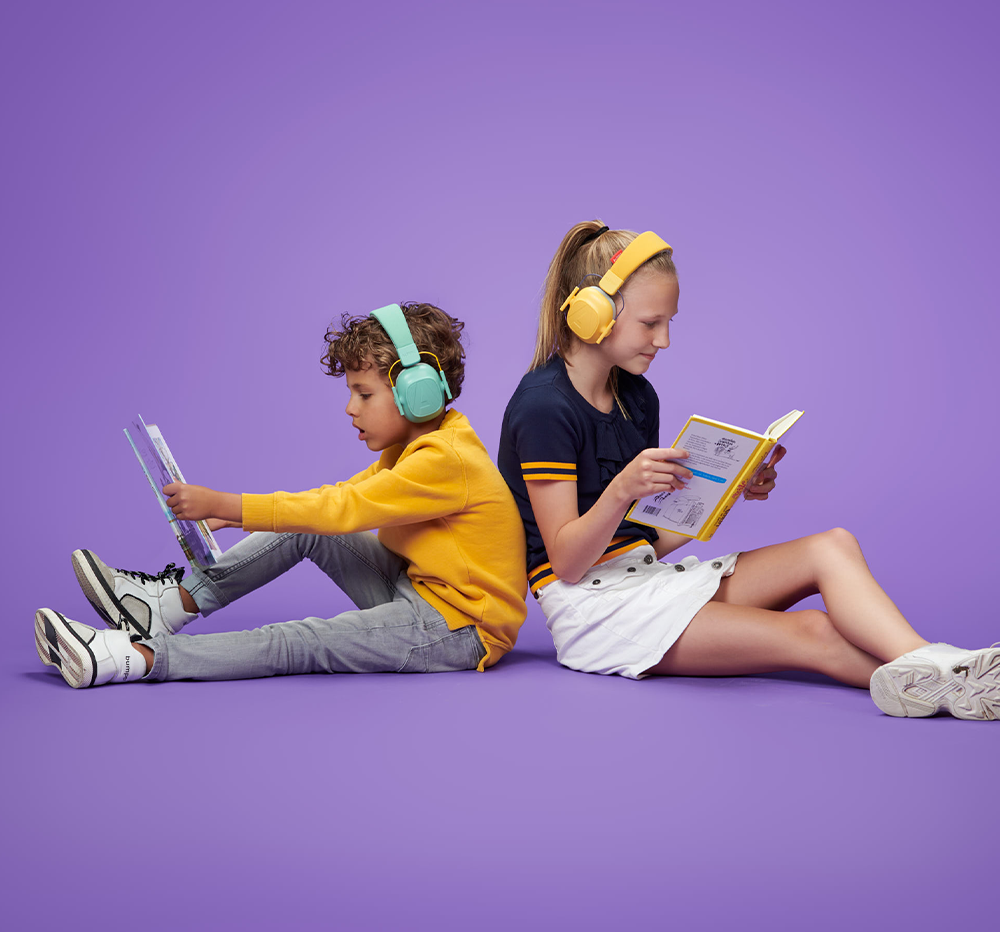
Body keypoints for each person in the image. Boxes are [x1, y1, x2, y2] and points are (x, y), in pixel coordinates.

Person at [497, 221, 1000, 719]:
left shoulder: (636, 395)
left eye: (670, 322)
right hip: (595, 611)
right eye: (651, 323)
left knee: (833, 545)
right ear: (593, 316)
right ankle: (950, 678)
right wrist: (621, 489)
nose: (665, 340)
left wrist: (728, 488)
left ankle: (937, 668)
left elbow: (645, 538)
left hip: (645, 577)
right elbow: (566, 563)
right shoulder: (544, 407)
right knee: (814, 632)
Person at [36, 302, 528, 687]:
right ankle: (165, 608)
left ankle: (134, 659)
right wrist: (245, 514)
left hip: (457, 631)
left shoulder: (446, 459)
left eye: (364, 393)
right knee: (300, 528)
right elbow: (334, 499)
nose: (350, 408)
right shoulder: (416, 447)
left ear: (415, 393)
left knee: (300, 641)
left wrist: (229, 505)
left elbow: (344, 510)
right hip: (419, 591)